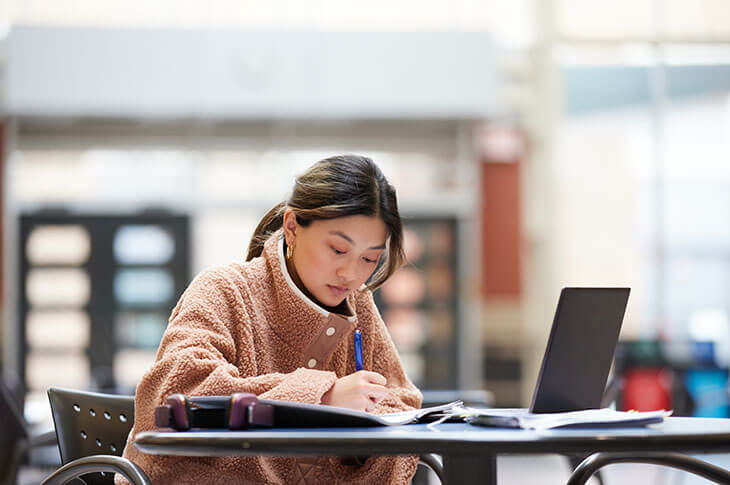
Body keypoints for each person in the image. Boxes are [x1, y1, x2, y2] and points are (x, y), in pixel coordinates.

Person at [118, 155, 423, 484]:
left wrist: (367, 418)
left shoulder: (358, 303)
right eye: (337, 249)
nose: (350, 274)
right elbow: (177, 392)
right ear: (292, 227)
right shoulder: (224, 289)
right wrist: (322, 398)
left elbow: (401, 401)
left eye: (369, 259)